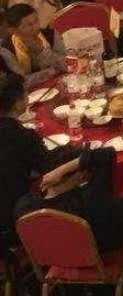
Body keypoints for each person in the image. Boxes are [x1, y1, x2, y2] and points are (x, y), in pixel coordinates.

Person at [13, 145, 123, 253]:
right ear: (81, 174)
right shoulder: (89, 200)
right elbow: (107, 154)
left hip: (56, 259)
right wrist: (64, 169)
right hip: (97, 254)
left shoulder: (24, 207)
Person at [0, 72, 68, 245]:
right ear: (17, 104)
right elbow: (50, 168)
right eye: (25, 93)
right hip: (17, 221)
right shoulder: (22, 136)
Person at [1, 5, 62, 83]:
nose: (36, 26)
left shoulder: (51, 34)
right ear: (14, 30)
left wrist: (41, 51)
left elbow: (65, 64)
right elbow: (22, 80)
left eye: (36, 20)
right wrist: (52, 71)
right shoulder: (6, 49)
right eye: (29, 24)